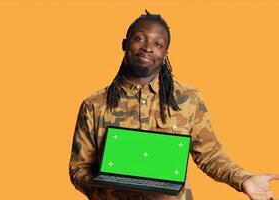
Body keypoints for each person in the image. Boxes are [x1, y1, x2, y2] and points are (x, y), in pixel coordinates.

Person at [69, 10, 279, 200]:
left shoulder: (188, 99)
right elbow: (79, 168)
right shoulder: (93, 105)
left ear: (165, 54)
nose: (147, 48)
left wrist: (243, 180)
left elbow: (209, 154)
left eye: (158, 44)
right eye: (139, 39)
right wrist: (107, 188)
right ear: (125, 44)